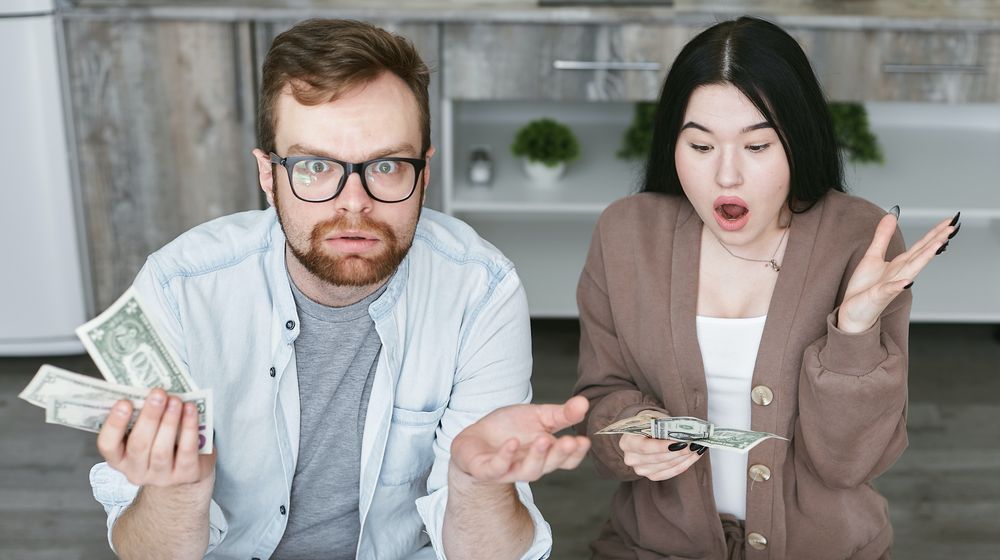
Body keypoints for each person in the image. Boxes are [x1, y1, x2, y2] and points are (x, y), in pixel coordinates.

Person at [89, 18, 590, 560]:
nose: (353, 202)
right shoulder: (175, 290)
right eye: (313, 166)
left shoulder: (481, 291)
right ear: (268, 175)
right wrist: (178, 491)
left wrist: (476, 485)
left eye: (387, 165)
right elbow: (144, 550)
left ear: (423, 174)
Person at [573, 16, 959, 560]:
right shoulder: (625, 234)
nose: (726, 176)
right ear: (672, 145)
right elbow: (600, 399)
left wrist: (854, 329)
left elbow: (849, 464)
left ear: (798, 142)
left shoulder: (859, 240)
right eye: (701, 147)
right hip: (653, 548)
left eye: (757, 147)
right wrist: (631, 434)